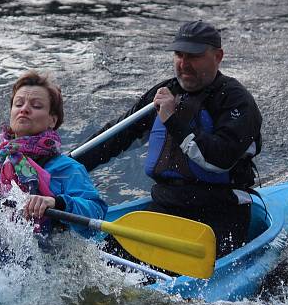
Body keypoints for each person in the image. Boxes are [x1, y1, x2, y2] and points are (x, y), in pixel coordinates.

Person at [75, 21, 262, 257]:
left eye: (194, 56)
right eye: (179, 54)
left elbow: (219, 160)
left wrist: (173, 120)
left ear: (218, 56)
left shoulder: (236, 100)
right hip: (167, 207)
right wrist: (62, 166)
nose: (183, 64)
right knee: (102, 262)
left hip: (220, 212)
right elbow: (114, 137)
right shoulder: (165, 92)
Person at [0, 70, 107, 238]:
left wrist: (57, 203)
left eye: (36, 106)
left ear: (53, 120)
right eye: (18, 104)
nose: (25, 109)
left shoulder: (68, 169)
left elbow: (96, 212)